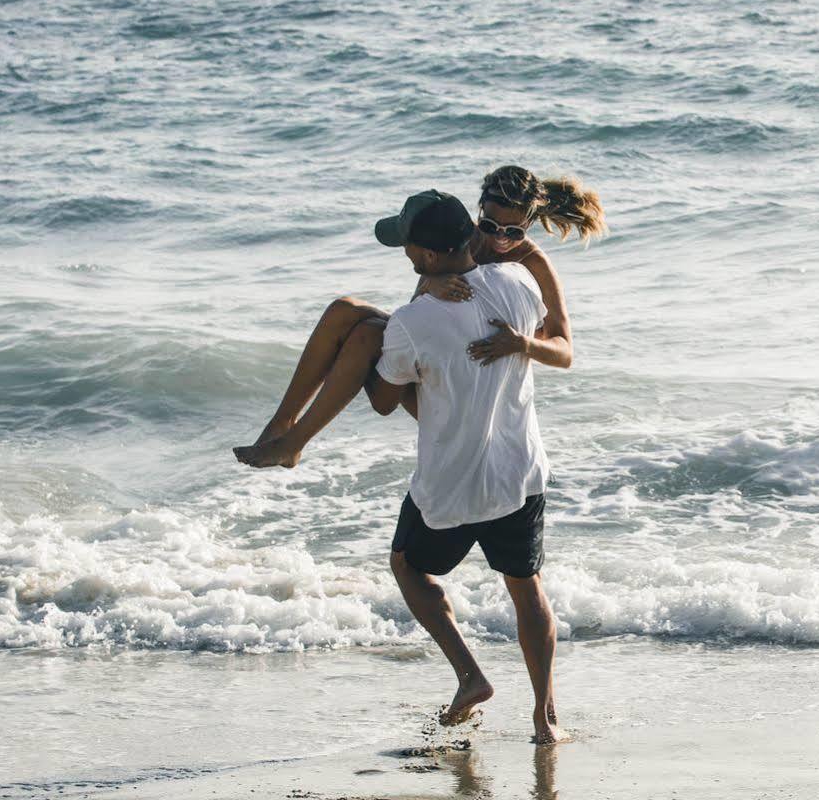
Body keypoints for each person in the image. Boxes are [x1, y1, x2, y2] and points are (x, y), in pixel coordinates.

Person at [360, 189, 564, 744]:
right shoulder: (521, 285)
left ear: (424, 257)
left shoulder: (410, 321)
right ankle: (545, 719)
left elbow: (383, 399)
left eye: (406, 247)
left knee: (407, 565)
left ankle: (470, 676)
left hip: (450, 485)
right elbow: (552, 340)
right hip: (518, 474)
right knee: (527, 589)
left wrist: (365, 349)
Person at [231, 166, 603, 469]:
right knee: (343, 311)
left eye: (514, 232)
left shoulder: (534, 264)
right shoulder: (463, 240)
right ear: (479, 214)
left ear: (530, 224)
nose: (499, 240)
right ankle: (283, 426)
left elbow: (565, 351)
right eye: (490, 226)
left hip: (469, 396)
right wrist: (431, 286)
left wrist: (522, 343)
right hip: (437, 364)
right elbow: (416, 312)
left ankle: (293, 443)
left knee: (364, 335)